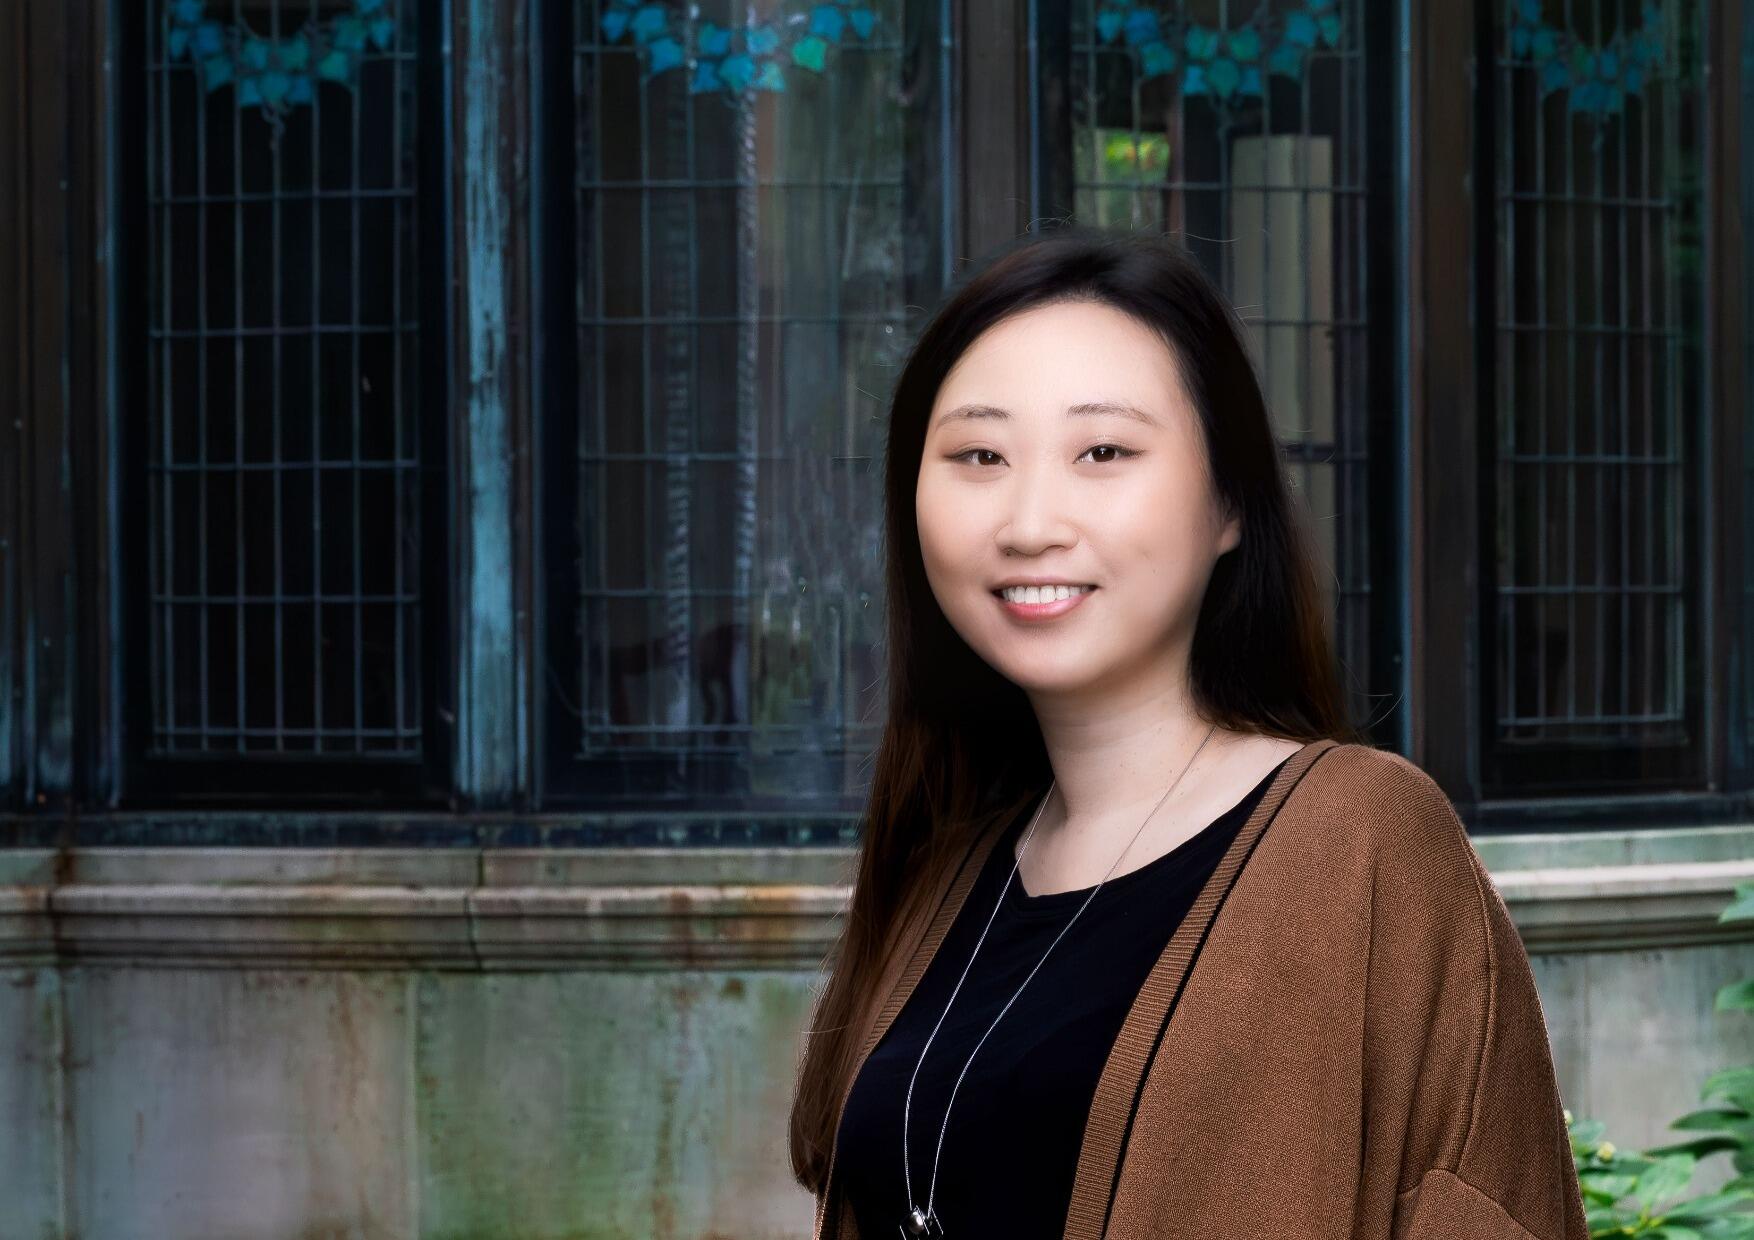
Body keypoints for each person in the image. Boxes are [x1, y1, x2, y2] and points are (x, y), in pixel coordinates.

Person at [786, 227, 1588, 1239]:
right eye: (978, 455)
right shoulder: (951, 865)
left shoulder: (1361, 842)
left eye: (1103, 452)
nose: (1030, 519)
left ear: (1228, 506)